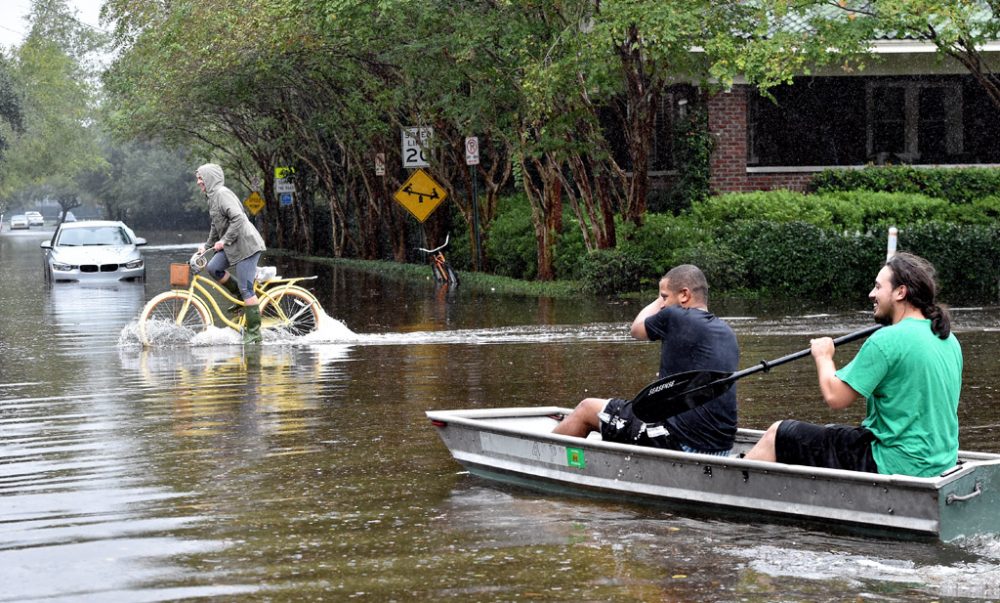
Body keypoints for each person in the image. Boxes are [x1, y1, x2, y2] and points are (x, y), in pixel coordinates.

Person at [744, 252, 962, 478]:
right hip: (940, 463)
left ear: (900, 292)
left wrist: (823, 355)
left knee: (779, 433)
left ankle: (723, 490)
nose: (871, 294)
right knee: (832, 432)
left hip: (895, 463)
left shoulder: (886, 340)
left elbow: (835, 396)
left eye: (878, 287)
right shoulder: (948, 339)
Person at [553, 264, 739, 455]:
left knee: (586, 409)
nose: (663, 303)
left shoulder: (674, 316)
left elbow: (636, 329)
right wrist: (667, 293)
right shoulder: (727, 331)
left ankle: (546, 458)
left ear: (684, 295)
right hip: (720, 448)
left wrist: (660, 299)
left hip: (679, 442)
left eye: (665, 296)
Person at [196, 163, 267, 344]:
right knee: (213, 268)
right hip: (232, 245)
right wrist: (207, 246)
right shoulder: (212, 197)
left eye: (200, 178)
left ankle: (253, 335)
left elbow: (239, 218)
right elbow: (216, 224)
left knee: (246, 289)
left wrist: (224, 241)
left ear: (209, 178)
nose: (198, 182)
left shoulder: (222, 194)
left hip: (246, 246)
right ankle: (240, 298)